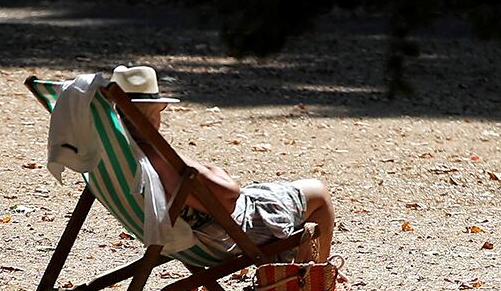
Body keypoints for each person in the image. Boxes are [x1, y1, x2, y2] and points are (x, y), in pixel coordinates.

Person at [112, 65, 336, 262]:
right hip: (225, 233)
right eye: (159, 110)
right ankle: (320, 280)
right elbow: (230, 195)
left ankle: (305, 278)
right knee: (318, 193)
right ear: (150, 114)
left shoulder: (124, 152)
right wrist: (210, 170)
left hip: (197, 232)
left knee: (289, 195)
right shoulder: (159, 157)